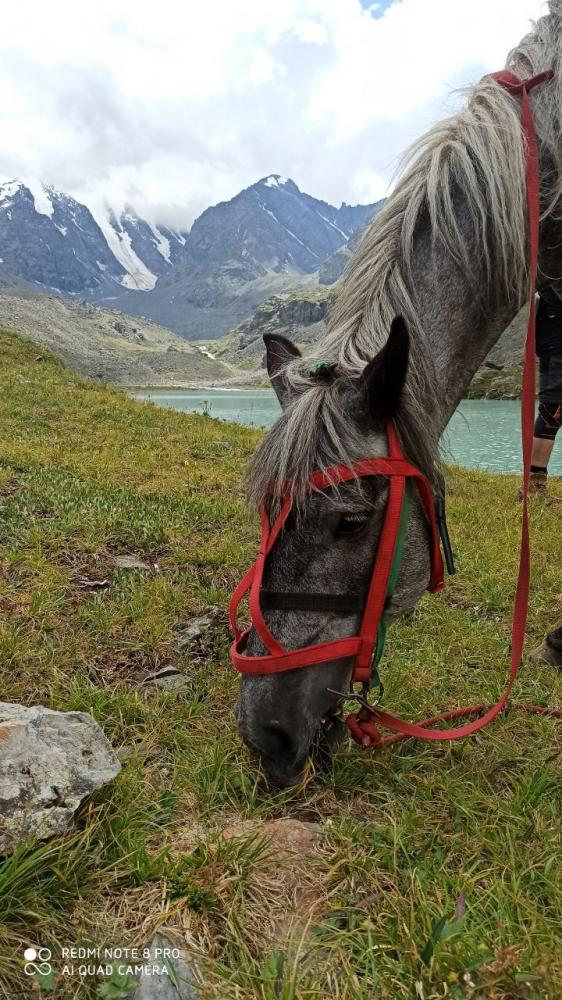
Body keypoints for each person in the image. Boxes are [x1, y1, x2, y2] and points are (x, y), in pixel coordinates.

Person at [526, 288, 562, 499]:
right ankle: (533, 485)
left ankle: (535, 483)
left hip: (555, 354)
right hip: (556, 356)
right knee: (551, 414)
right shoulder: (548, 291)